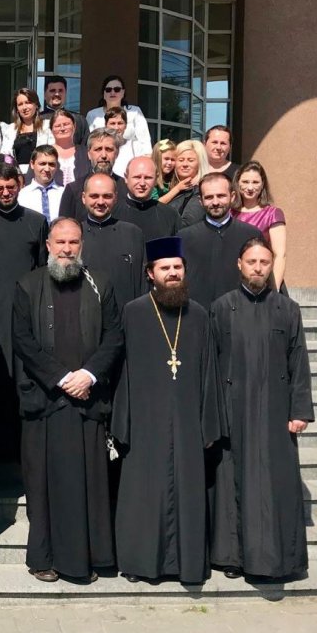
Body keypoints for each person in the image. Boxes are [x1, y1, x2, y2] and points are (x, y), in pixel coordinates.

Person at [11, 217, 122, 583]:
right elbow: (23, 341)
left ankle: (90, 558)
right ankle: (45, 558)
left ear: (82, 245)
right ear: (47, 245)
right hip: (45, 405)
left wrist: (88, 374)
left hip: (87, 402)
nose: (66, 249)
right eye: (60, 242)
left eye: (73, 242)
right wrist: (61, 378)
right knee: (43, 488)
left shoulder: (100, 285)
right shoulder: (28, 285)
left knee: (88, 486)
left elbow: (114, 337)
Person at [112, 236, 226, 585]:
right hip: (146, 420)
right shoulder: (133, 312)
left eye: (177, 267)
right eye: (165, 268)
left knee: (188, 492)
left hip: (189, 419)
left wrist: (209, 425)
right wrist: (123, 423)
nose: (173, 273)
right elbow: (122, 371)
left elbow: (210, 371)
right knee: (145, 493)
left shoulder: (199, 313)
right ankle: (140, 563)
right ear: (150, 273)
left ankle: (188, 565)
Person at [209, 238, 314, 580]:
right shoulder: (221, 307)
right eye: (251, 261)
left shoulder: (287, 309)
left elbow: (299, 361)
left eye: (264, 263)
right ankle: (233, 558)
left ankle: (280, 560)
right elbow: (210, 363)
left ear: (272, 266)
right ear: (239, 264)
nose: (258, 268)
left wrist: (299, 411)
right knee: (232, 483)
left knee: (274, 487)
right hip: (232, 409)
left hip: (274, 411)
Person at [0, 164, 48, 460]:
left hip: (25, 317)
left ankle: (22, 455)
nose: (5, 193)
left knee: (24, 385)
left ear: (20, 185)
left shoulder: (36, 222)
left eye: (10, 187)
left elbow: (41, 270)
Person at [179, 173, 263, 310]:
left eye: (221, 196)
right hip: (198, 317)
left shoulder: (251, 235)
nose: (215, 202)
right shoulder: (185, 237)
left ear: (233, 197)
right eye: (209, 197)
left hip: (240, 316)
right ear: (201, 201)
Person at [79, 174, 146, 311]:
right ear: (83, 198)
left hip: (125, 317)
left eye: (107, 196)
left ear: (115, 198)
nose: (101, 202)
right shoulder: (74, 235)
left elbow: (143, 283)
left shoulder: (133, 233)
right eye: (94, 196)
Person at [234, 161, 287, 290]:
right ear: (237, 183)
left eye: (255, 182)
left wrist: (275, 289)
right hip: (233, 278)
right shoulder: (229, 213)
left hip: (262, 280)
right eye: (245, 182)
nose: (250, 187)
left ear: (262, 184)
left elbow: (280, 254)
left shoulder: (273, 214)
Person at [58, 129, 128, 220]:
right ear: (89, 154)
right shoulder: (74, 189)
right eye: (98, 149)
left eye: (109, 149)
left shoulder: (126, 189)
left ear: (117, 153)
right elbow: (62, 228)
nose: (103, 155)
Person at [116, 155, 182, 241]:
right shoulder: (113, 213)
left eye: (148, 178)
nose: (142, 183)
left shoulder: (170, 214)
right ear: (126, 178)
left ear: (156, 179)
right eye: (137, 177)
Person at [86, 75, 152, 156]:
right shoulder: (92, 115)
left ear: (123, 92)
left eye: (117, 89)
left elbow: (145, 141)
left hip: (131, 160)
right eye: (108, 89)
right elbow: (88, 143)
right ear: (103, 93)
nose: (112, 92)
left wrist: (147, 159)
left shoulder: (135, 112)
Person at [159, 139, 208, 227]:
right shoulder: (165, 186)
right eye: (181, 160)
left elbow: (186, 224)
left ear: (200, 163)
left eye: (190, 160)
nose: (185, 164)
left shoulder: (200, 191)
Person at [19, 145, 63, 223]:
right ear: (32, 164)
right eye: (42, 164)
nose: (47, 169)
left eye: (51, 164)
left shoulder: (64, 193)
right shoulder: (22, 195)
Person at [11, 88, 53, 168]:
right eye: (20, 104)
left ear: (36, 105)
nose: (24, 107)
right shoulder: (10, 129)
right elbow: (6, 154)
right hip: (17, 175)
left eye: (28, 102)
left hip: (40, 173)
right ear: (17, 109)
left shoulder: (47, 126)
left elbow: (51, 151)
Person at [48, 108, 91, 185]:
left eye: (66, 124)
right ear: (51, 129)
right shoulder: (43, 153)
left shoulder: (86, 152)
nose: (62, 129)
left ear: (74, 126)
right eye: (57, 126)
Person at [104, 106, 150, 177]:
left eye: (120, 123)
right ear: (106, 125)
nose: (116, 128)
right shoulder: (99, 147)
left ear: (125, 126)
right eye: (112, 123)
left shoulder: (135, 146)